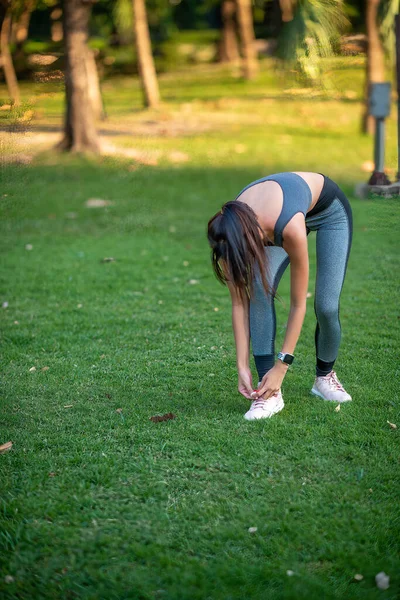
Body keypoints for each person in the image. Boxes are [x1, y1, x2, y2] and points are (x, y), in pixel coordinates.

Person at [207, 172, 353, 420]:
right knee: (259, 290)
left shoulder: (289, 227)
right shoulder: (228, 231)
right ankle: (268, 394)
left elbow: (298, 304)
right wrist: (241, 365)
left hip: (329, 212)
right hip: (274, 214)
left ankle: (324, 377)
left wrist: (282, 366)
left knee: (326, 305)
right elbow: (239, 303)